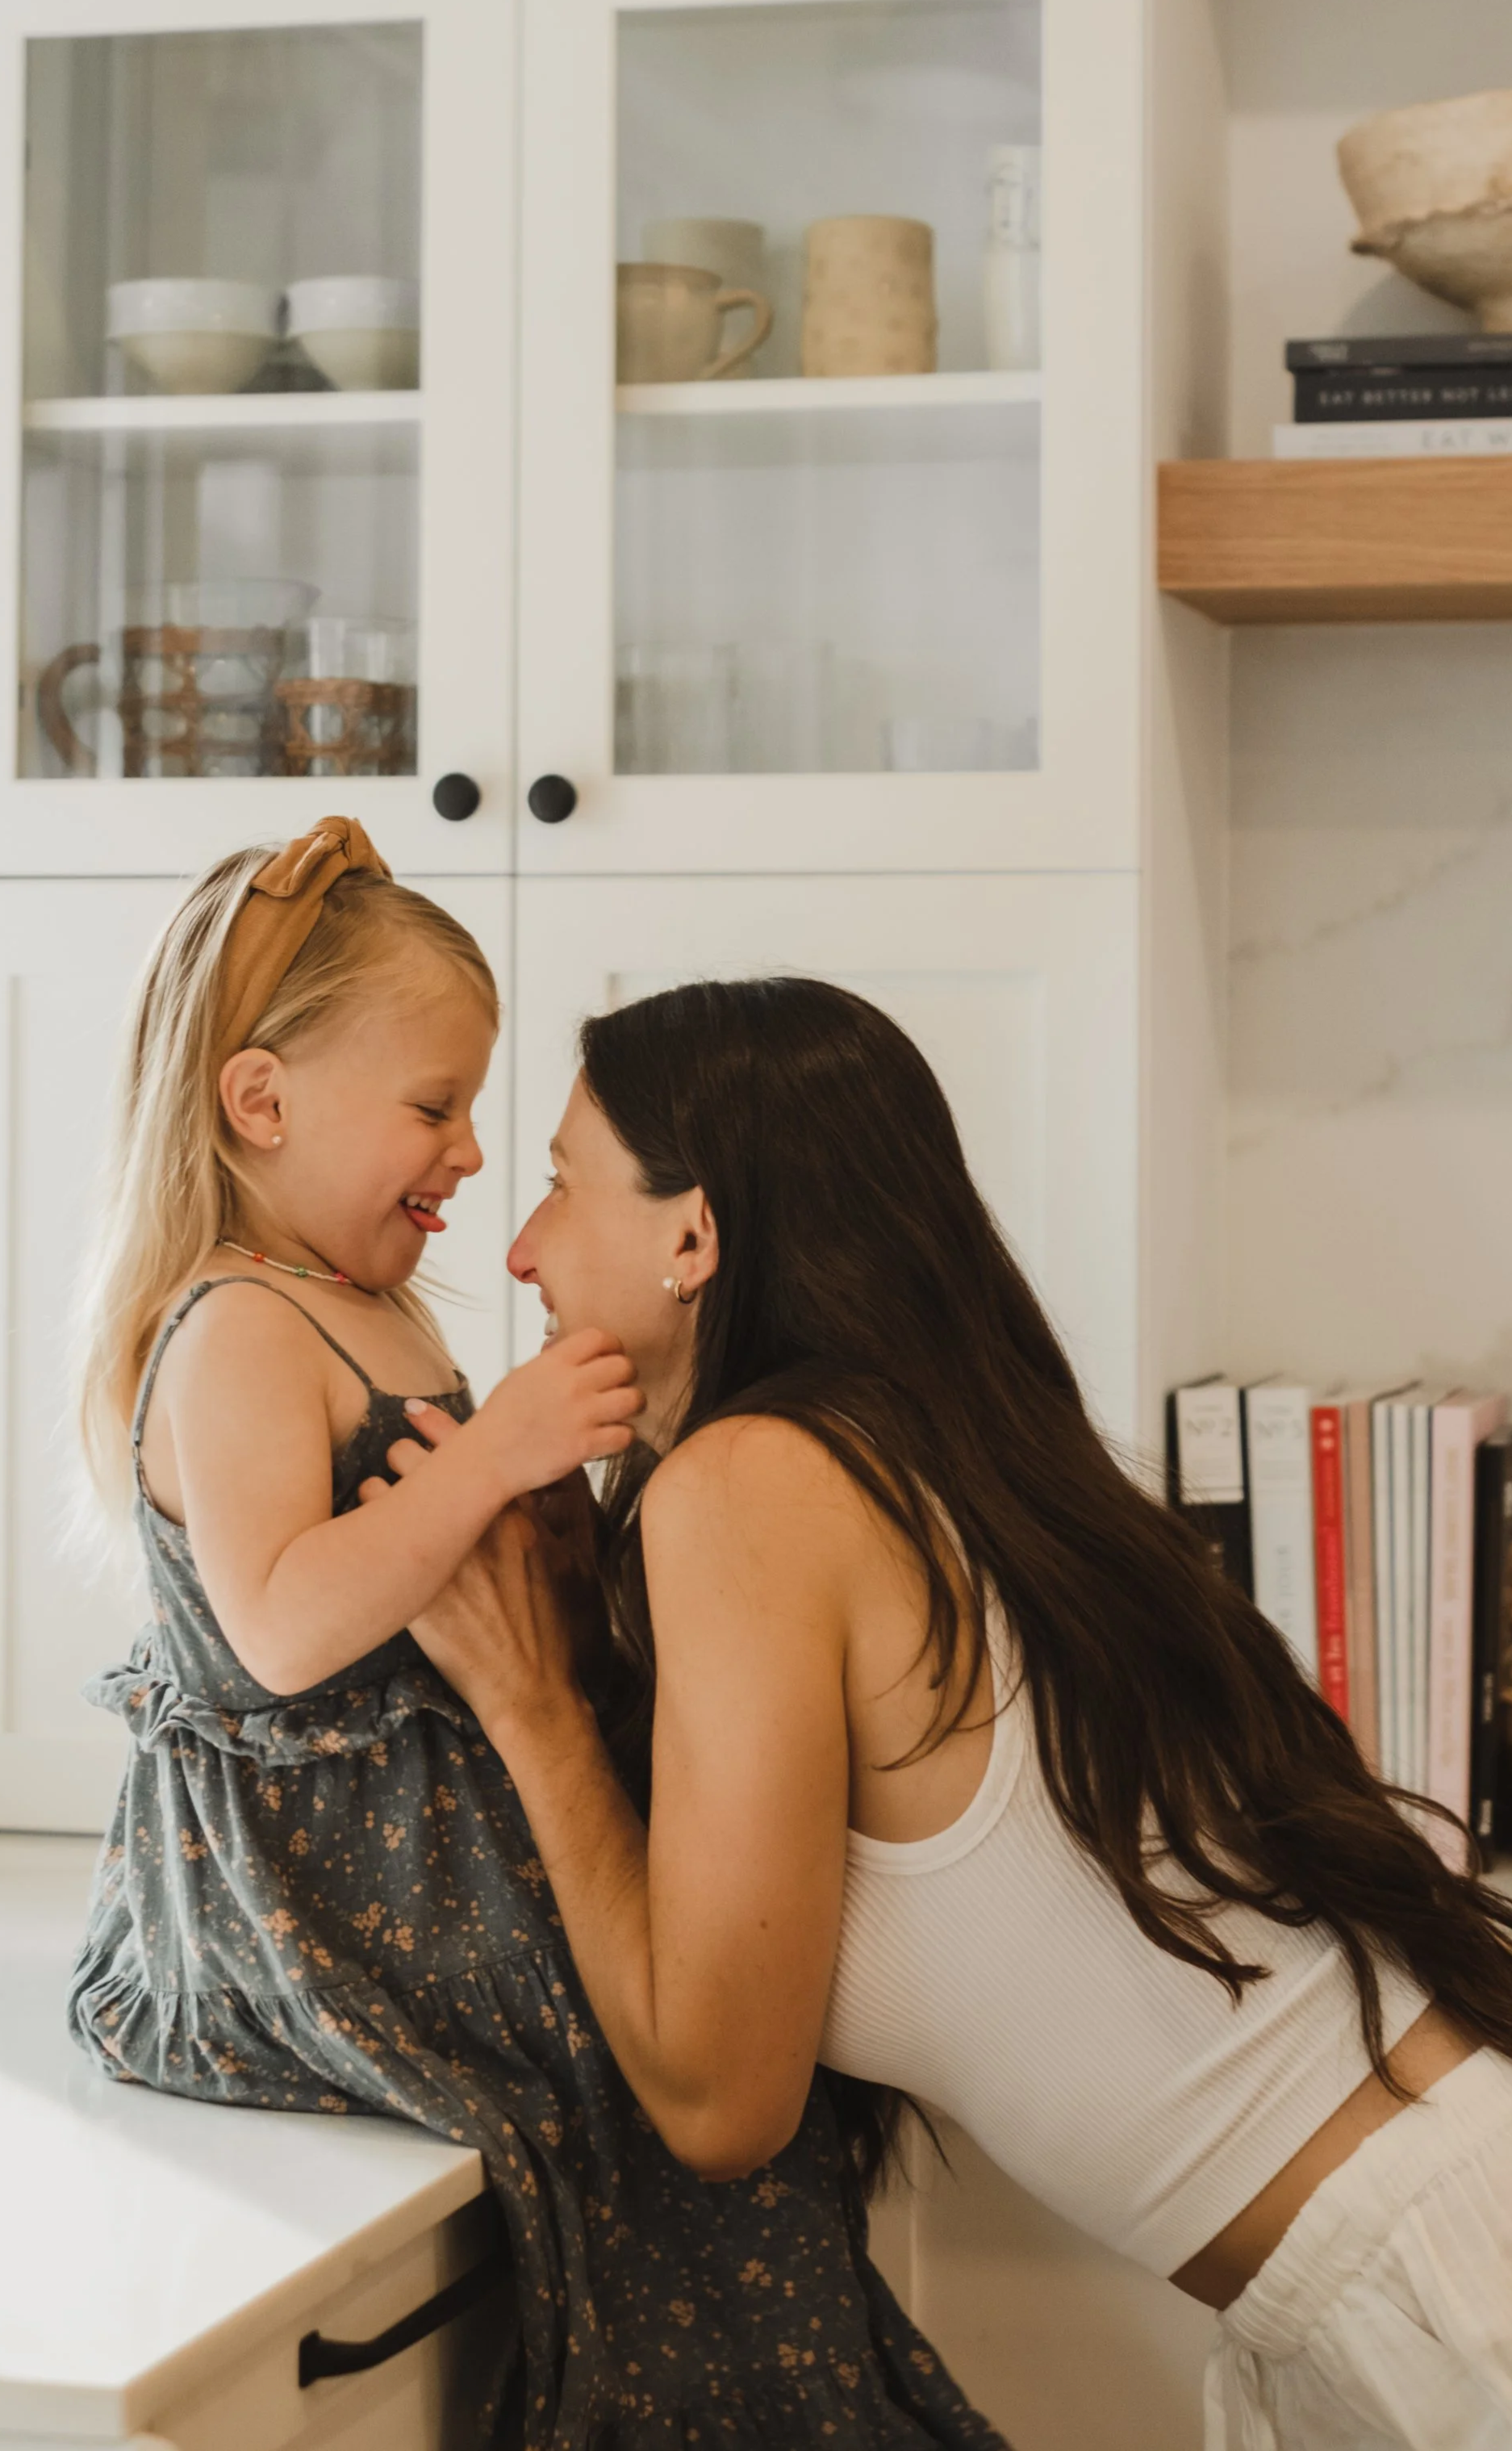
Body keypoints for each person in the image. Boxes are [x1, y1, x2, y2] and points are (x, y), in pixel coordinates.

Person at [386, 975, 1512, 2451]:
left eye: (557, 1183)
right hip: (1400, 2263)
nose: (521, 1248)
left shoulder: (750, 1483)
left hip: (1445, 2289)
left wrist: (533, 1708)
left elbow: (720, 2106)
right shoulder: (906, 1443)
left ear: (693, 1235)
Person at [66, 826, 1009, 2451]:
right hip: (305, 1911)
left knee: (700, 2097)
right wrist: (494, 1453)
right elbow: (282, 1629)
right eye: (435, 1106)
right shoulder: (234, 1328)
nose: (471, 1156)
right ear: (262, 1101)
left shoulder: (371, 1305)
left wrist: (553, 1541)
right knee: (626, 2106)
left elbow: (455, 1609)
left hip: (438, 1870)